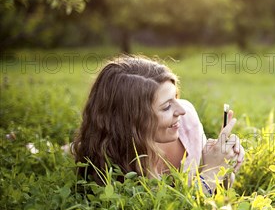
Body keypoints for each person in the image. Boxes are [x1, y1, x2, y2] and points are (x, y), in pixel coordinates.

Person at [73, 55, 244, 194]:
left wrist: (223, 162)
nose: (181, 110)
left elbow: (212, 192)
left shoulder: (186, 120)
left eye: (175, 98)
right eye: (167, 106)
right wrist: (212, 172)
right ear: (133, 120)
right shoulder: (117, 163)